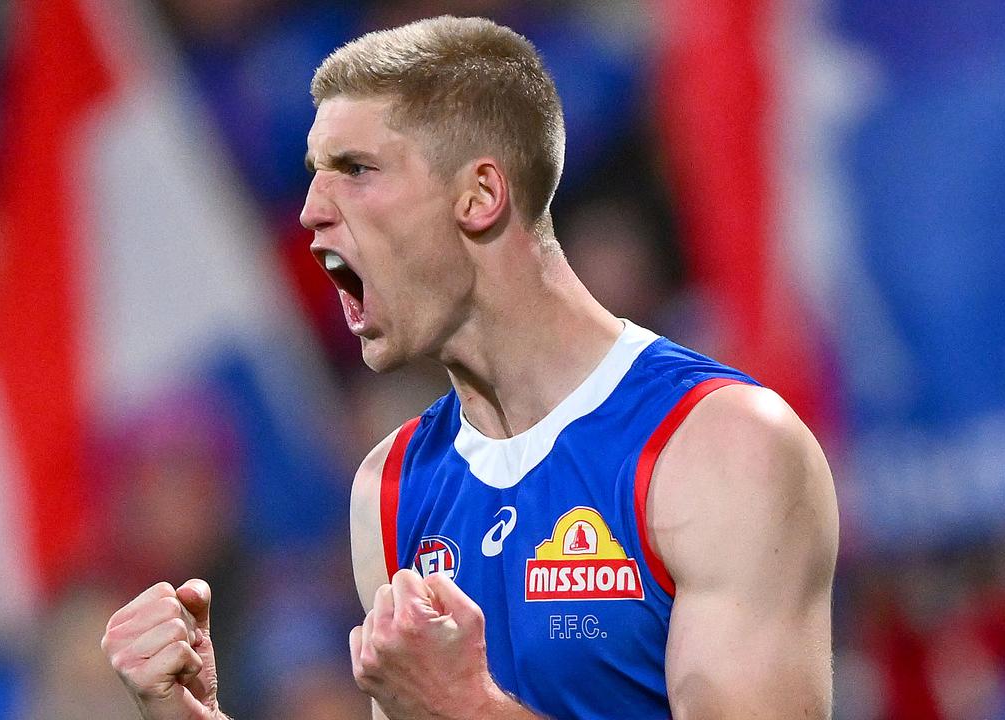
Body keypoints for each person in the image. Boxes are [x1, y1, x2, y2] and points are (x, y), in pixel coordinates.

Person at [102, 15, 838, 720]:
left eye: (355, 169)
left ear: (481, 195)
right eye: (313, 174)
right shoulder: (388, 491)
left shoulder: (721, 448)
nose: (310, 211)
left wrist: (466, 708)